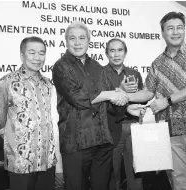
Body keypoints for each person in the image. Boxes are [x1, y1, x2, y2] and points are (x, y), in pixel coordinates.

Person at [117, 12, 186, 190]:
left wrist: (167, 100)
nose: (175, 32)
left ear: (184, 30)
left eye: (179, 27)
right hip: (170, 131)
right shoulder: (157, 63)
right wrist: (123, 95)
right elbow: (148, 92)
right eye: (170, 28)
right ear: (163, 33)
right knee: (179, 183)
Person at [52, 21, 146, 190]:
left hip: (102, 140)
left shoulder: (96, 66)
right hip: (76, 142)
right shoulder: (61, 67)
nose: (77, 42)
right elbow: (78, 99)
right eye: (72, 38)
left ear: (89, 41)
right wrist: (112, 94)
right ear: (66, 41)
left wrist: (124, 105)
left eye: (82, 38)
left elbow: (107, 105)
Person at [0, 36, 57, 190]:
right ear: (22, 55)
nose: (37, 58)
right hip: (20, 161)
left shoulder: (48, 84)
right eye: (32, 53)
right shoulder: (7, 82)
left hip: (46, 159)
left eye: (41, 53)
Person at [104, 38, 144, 190]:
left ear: (125, 53)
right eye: (112, 51)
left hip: (133, 126)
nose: (116, 54)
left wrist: (141, 108)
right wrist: (120, 90)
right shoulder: (101, 74)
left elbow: (139, 98)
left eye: (120, 50)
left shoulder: (134, 73)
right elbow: (101, 103)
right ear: (107, 54)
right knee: (112, 171)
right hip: (112, 127)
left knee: (135, 169)